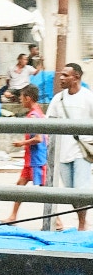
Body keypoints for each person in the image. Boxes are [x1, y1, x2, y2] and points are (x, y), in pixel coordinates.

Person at [46, 63, 93, 232]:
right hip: (62, 151)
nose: (61, 78)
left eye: (66, 75)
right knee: (70, 190)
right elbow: (49, 122)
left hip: (82, 151)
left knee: (81, 189)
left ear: (77, 77)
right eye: (61, 74)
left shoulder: (88, 97)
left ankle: (82, 223)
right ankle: (81, 219)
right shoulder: (58, 99)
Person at [5, 84, 47, 224]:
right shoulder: (37, 112)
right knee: (20, 186)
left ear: (28, 98)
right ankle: (12, 216)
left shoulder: (33, 116)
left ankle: (57, 221)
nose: (21, 101)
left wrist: (21, 143)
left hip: (36, 160)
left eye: (22, 98)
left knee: (45, 191)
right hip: (31, 160)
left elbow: (38, 138)